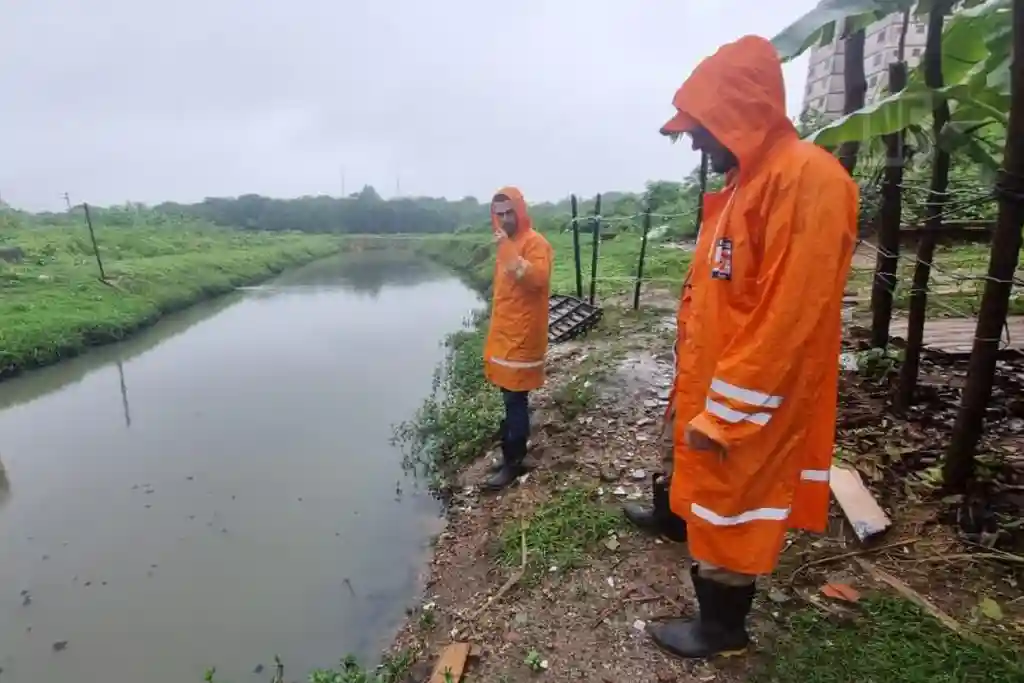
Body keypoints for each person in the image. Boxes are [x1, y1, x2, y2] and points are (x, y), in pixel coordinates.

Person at [636, 35, 858, 660]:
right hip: (718, 381)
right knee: (713, 494)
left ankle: (722, 628)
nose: (696, 142)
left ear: (738, 112)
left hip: (753, 393)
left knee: (736, 503)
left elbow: (790, 315)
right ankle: (706, 587)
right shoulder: (744, 185)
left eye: (701, 127)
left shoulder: (807, 180)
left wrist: (729, 409)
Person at [482, 187, 553, 491]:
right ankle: (509, 455)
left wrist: (509, 252)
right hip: (504, 335)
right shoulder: (506, 244)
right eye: (500, 213)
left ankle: (514, 461)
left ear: (521, 211)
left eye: (510, 212)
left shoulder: (535, 244)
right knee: (509, 398)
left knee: (515, 400)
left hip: (522, 338)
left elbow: (537, 279)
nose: (505, 219)